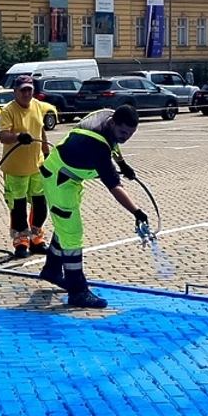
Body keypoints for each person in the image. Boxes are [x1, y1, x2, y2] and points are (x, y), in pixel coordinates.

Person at [38, 105, 148, 308]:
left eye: (131, 134)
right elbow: (114, 186)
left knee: (65, 225)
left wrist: (122, 164)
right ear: (113, 123)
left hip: (69, 179)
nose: (126, 137)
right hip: (59, 180)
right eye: (123, 132)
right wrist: (136, 211)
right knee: (72, 233)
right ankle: (78, 292)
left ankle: (52, 270)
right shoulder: (96, 144)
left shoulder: (107, 116)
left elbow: (114, 144)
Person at [0, 76, 49, 258]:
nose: (26, 93)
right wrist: (18, 137)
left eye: (29, 89)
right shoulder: (9, 111)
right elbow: (3, 136)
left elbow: (41, 130)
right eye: (22, 90)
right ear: (15, 92)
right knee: (18, 209)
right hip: (16, 169)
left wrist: (47, 154)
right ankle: (21, 242)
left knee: (40, 207)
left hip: (37, 166)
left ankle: (36, 239)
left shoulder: (38, 106)